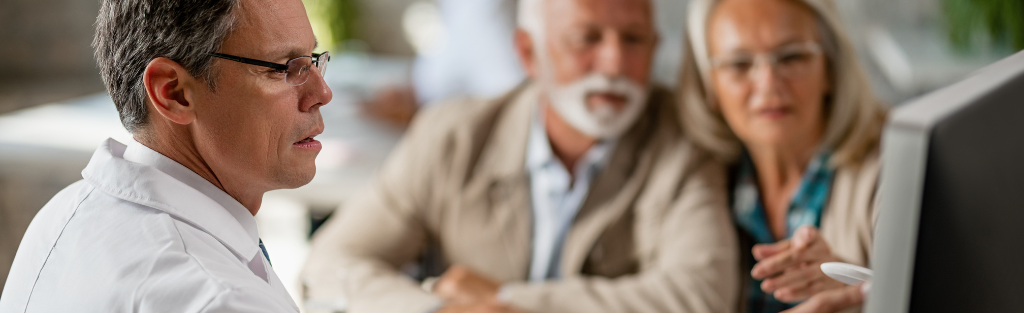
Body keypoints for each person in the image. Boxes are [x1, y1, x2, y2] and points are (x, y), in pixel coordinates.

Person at [302, 0, 739, 312]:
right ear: (529, 53)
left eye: (634, 39)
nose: (614, 62)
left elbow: (700, 296)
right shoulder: (453, 134)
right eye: (586, 38)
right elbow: (329, 263)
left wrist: (505, 303)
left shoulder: (684, 138)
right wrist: (438, 310)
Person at [0, 0, 332, 312]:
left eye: (313, 59)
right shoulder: (223, 301)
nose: (322, 93)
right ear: (172, 93)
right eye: (284, 68)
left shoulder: (64, 213)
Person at [678, 0, 887, 312]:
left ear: (829, 69)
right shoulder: (705, 175)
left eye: (791, 56)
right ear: (710, 86)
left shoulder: (893, 168)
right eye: (739, 64)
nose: (768, 84)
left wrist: (857, 289)